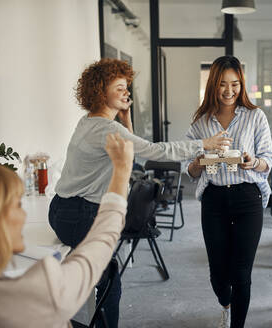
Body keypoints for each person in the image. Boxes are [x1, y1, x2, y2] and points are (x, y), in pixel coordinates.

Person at [48, 58, 232, 328]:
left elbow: (129, 153)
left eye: (127, 88)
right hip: (81, 214)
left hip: (65, 209)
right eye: (120, 88)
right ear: (101, 91)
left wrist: (126, 120)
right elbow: (155, 151)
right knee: (109, 283)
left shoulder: (90, 122)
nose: (127, 93)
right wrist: (204, 144)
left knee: (100, 279)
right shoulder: (105, 128)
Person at [0, 133, 132, 327]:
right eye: (18, 206)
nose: (24, 215)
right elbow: (96, 250)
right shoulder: (36, 289)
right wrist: (121, 170)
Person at [184, 55, 272, 328]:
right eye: (223, 84)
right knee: (218, 275)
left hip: (248, 198)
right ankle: (226, 304)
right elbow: (187, 169)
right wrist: (202, 157)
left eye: (235, 84)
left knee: (241, 273)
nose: (229, 90)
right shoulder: (201, 121)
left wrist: (253, 162)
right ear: (213, 85)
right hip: (214, 201)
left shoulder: (255, 116)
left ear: (241, 85)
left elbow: (268, 159)